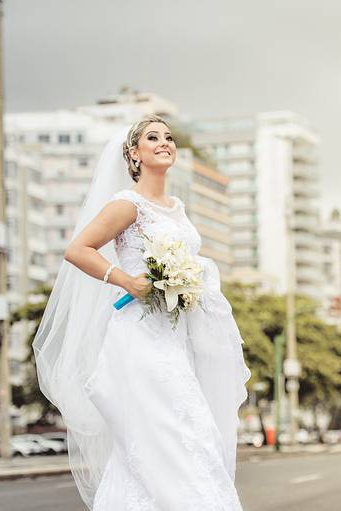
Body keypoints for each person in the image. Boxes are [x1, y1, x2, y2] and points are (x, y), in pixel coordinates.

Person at [34, 115, 251, 510]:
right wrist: (125, 280)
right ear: (134, 153)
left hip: (174, 338)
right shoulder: (127, 205)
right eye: (153, 137)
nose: (164, 142)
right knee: (175, 437)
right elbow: (77, 250)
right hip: (138, 338)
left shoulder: (176, 209)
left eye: (169, 137)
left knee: (162, 444)